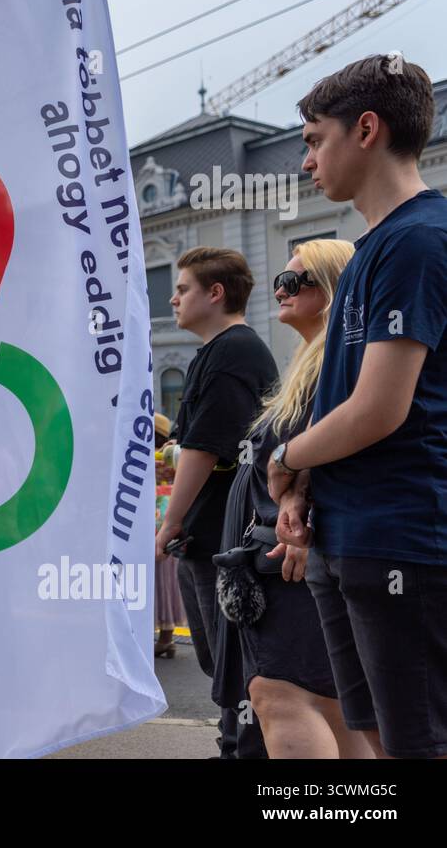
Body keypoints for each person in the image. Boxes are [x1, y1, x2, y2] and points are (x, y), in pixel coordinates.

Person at [269, 55, 447, 759]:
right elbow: (350, 403)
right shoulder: (376, 247)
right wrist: (306, 483)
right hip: (352, 534)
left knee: (417, 743)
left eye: (315, 139)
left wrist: (287, 456)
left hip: (399, 535)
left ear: (366, 129)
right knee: (373, 738)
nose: (307, 160)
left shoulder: (417, 241)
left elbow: (379, 409)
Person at [213, 239, 373, 759]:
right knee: (333, 705)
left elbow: (351, 444)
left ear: (331, 290)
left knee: (283, 697)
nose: (278, 290)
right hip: (299, 560)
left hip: (293, 564)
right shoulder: (325, 361)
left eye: (292, 281)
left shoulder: (335, 364)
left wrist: (307, 520)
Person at [155, 247, 278, 758]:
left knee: (234, 660)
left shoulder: (234, 352)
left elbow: (206, 448)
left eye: (182, 288)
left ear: (215, 293)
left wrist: (170, 521)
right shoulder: (217, 351)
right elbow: (193, 445)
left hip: (223, 539)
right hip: (204, 535)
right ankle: (233, 742)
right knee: (216, 656)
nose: (173, 297)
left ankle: (243, 750)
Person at [152, 413, 184, 659]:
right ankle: (167, 638)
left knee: (152, 584)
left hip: (152, 527)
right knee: (169, 584)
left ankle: (157, 638)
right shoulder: (176, 456)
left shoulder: (149, 459)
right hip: (172, 525)